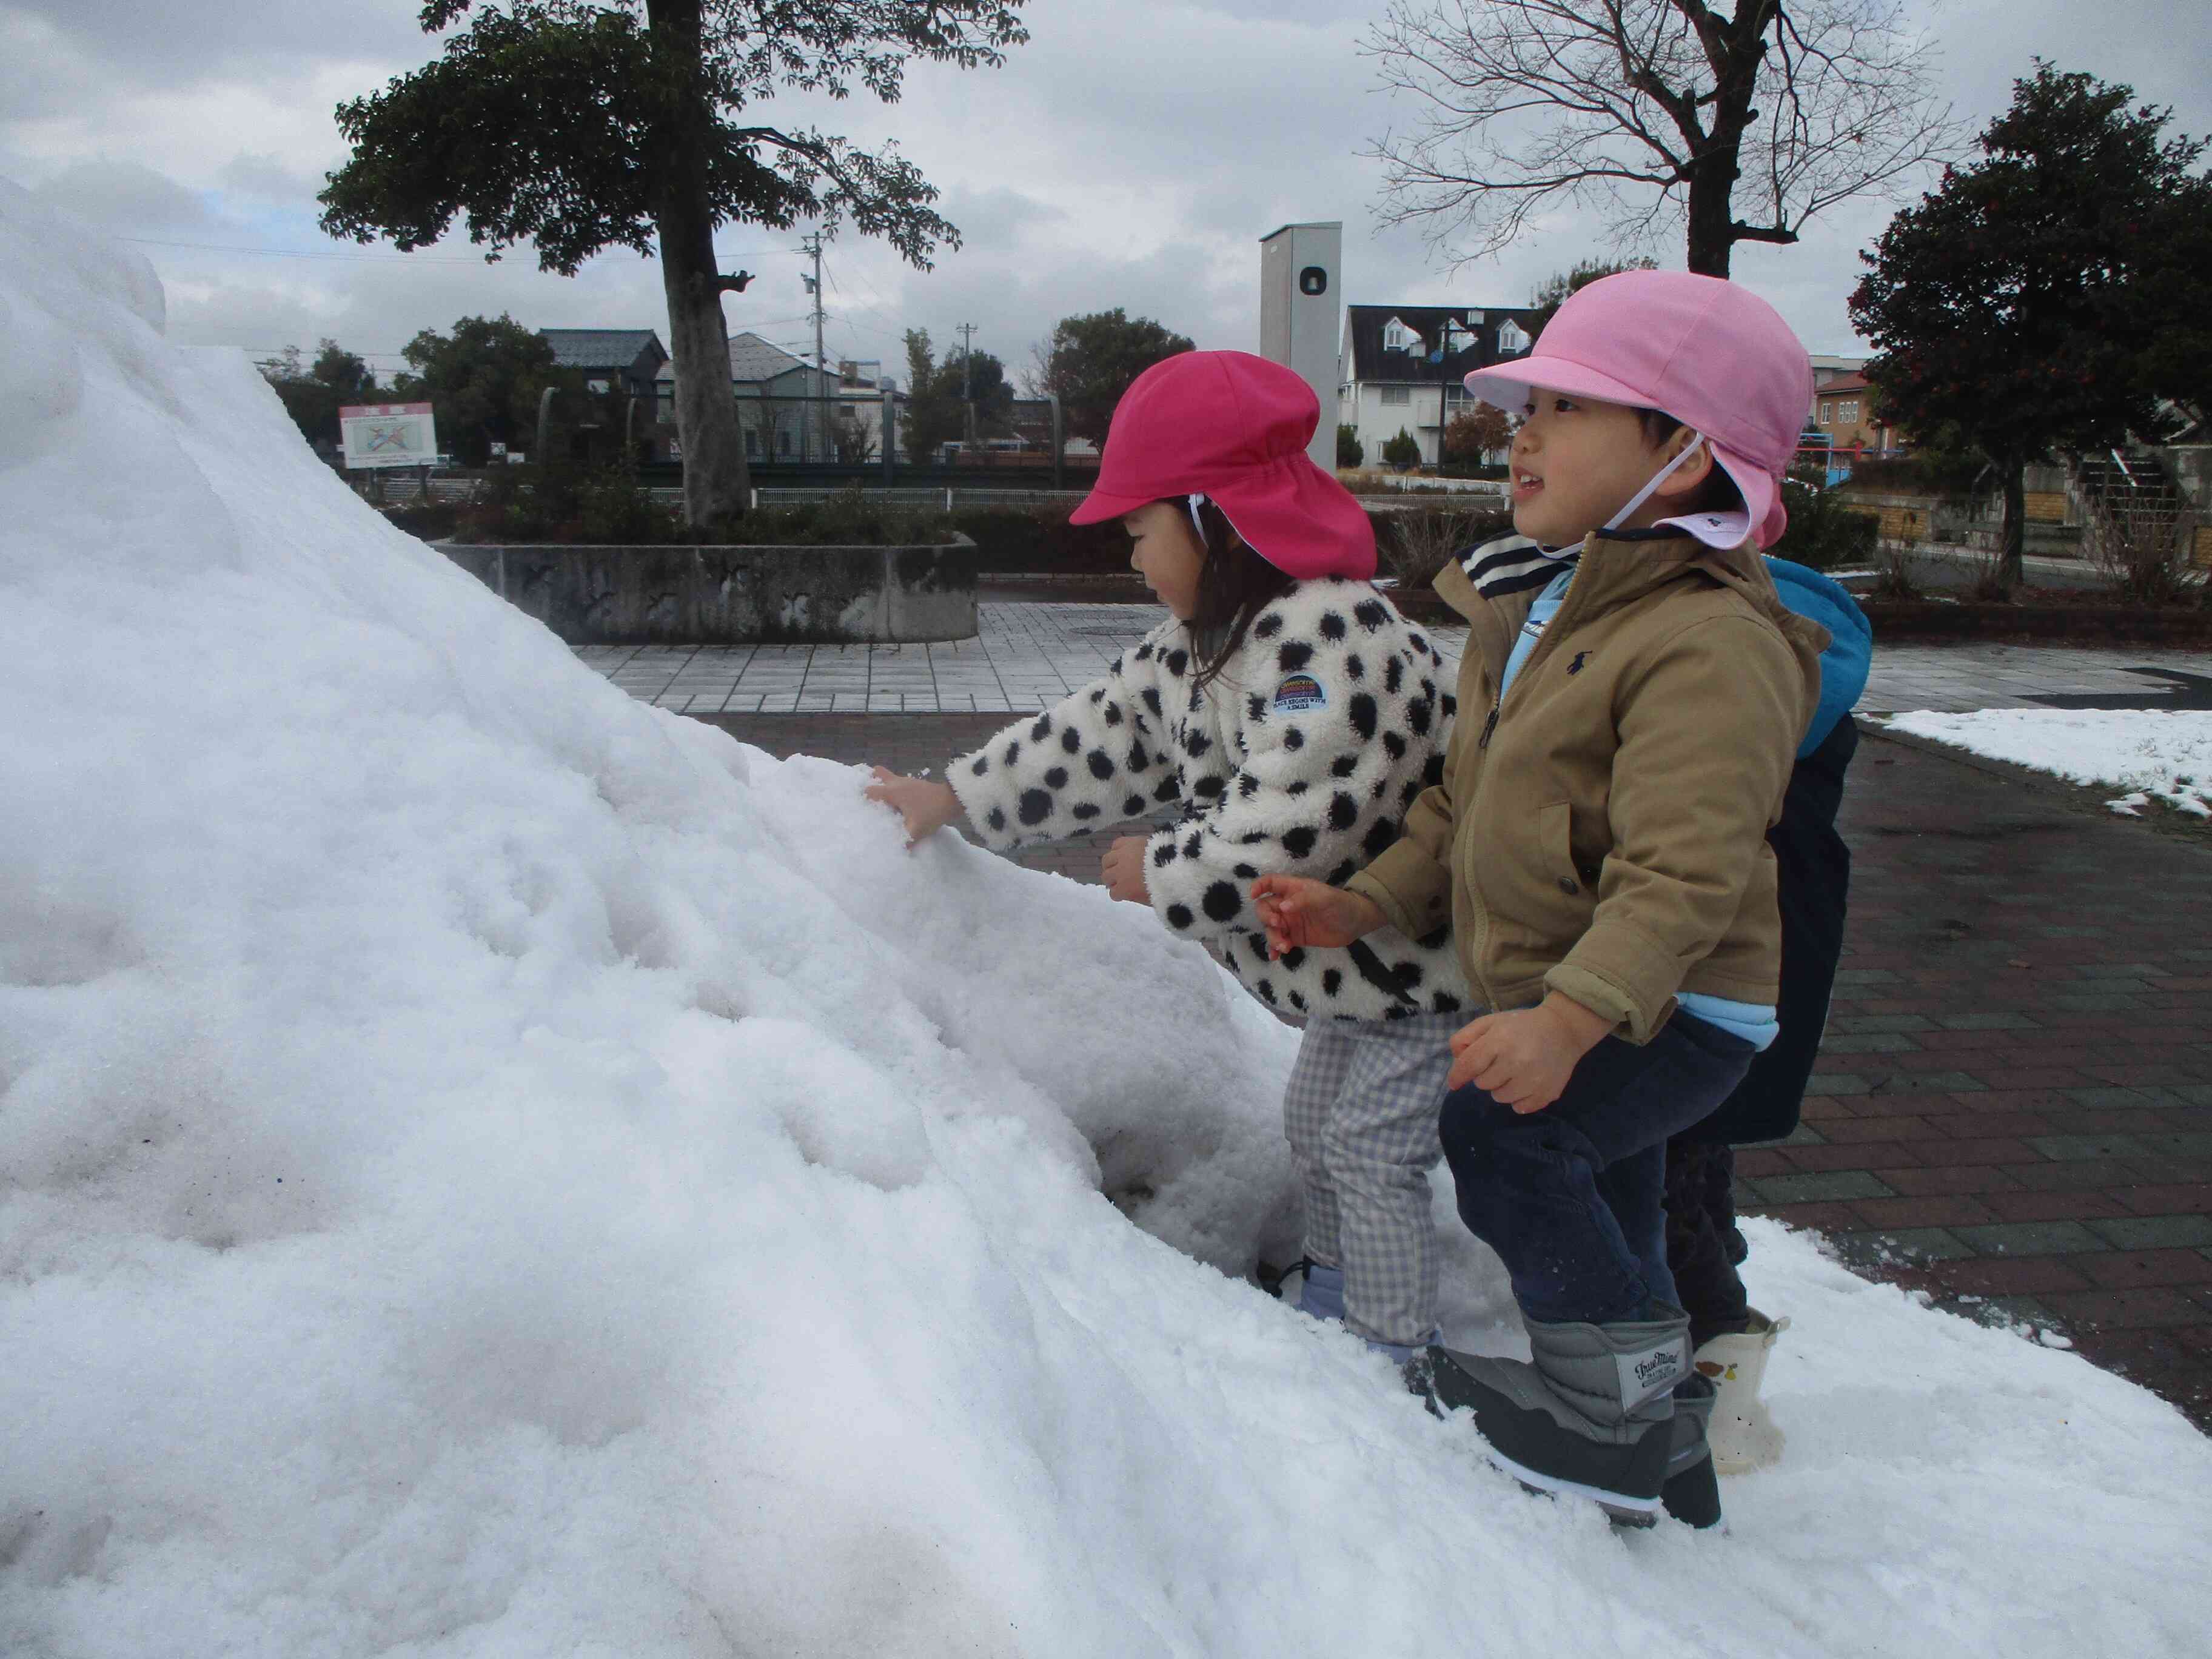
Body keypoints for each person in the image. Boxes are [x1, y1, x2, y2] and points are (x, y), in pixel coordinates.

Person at [1252, 271, 1827, 1529]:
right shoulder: (1535, 607)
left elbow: (1688, 871)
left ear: (1679, 459)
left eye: (1569, 409)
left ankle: (1614, 1423)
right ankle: (1664, 1449)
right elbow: (1463, 813)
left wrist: (1569, 1023)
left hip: (1672, 998)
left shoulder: (1706, 641)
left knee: (1504, 1135)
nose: (1523, 433)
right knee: (1606, 1196)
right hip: (1586, 994)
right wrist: (1365, 906)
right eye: (1529, 406)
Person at [865, 350, 1471, 1364]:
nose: (1132, 558)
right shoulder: (1212, 636)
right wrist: (960, 794)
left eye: (1142, 530)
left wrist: (1166, 872)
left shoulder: (1332, 639)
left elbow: (1298, 817)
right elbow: (1101, 732)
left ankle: (1393, 1347)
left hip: (1423, 964)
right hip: (1358, 982)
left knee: (1368, 1151)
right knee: (1317, 1125)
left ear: (1215, 515)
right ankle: (1332, 1290)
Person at [1664, 556, 1869, 1475]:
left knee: (1662, 1169)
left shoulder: (1731, 690)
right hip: (1765, 980)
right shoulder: (1809, 689)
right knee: (1698, 1158)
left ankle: (1717, 1368)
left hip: (1714, 973)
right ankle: (1726, 1352)